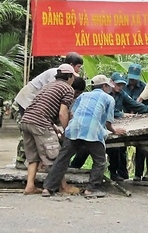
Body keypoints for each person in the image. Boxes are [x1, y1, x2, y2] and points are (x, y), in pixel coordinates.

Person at [42, 75, 126, 198]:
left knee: (62, 159)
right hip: (92, 131)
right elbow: (108, 122)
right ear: (104, 86)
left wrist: (69, 128)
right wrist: (114, 130)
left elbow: (72, 113)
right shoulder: (109, 98)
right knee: (100, 161)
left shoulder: (83, 96)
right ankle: (91, 189)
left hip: (74, 129)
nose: (109, 88)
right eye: (108, 85)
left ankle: (48, 188)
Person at [13, 52, 83, 170]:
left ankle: (36, 162)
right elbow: (53, 99)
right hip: (26, 102)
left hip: (36, 105)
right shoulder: (57, 75)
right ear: (71, 65)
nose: (79, 70)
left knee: (35, 131)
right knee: (30, 130)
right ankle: (21, 160)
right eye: (78, 67)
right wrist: (66, 130)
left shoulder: (59, 75)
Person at [20, 64, 76, 194]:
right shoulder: (68, 89)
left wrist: (53, 127)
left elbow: (42, 107)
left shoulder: (49, 85)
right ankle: (63, 186)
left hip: (26, 120)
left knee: (33, 157)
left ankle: (30, 186)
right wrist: (67, 130)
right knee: (54, 155)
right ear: (69, 76)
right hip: (40, 122)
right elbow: (62, 113)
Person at [123, 63, 148, 182]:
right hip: (123, 120)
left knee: (142, 147)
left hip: (140, 120)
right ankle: (122, 174)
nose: (132, 81)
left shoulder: (144, 87)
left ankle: (138, 174)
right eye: (131, 78)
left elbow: (145, 105)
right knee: (120, 148)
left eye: (135, 78)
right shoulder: (122, 86)